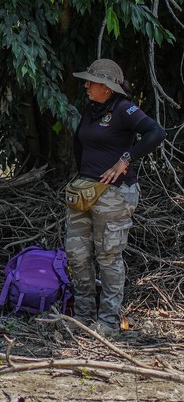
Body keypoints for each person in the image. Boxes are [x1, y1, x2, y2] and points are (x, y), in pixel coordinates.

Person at [66, 59, 165, 336]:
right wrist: (82, 175)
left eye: (91, 82)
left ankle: (108, 322)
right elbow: (79, 145)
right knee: (77, 254)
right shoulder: (91, 110)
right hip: (84, 191)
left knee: (108, 255)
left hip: (114, 194)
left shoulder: (124, 110)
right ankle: (84, 316)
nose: (86, 85)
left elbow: (156, 132)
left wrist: (126, 158)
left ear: (107, 87)